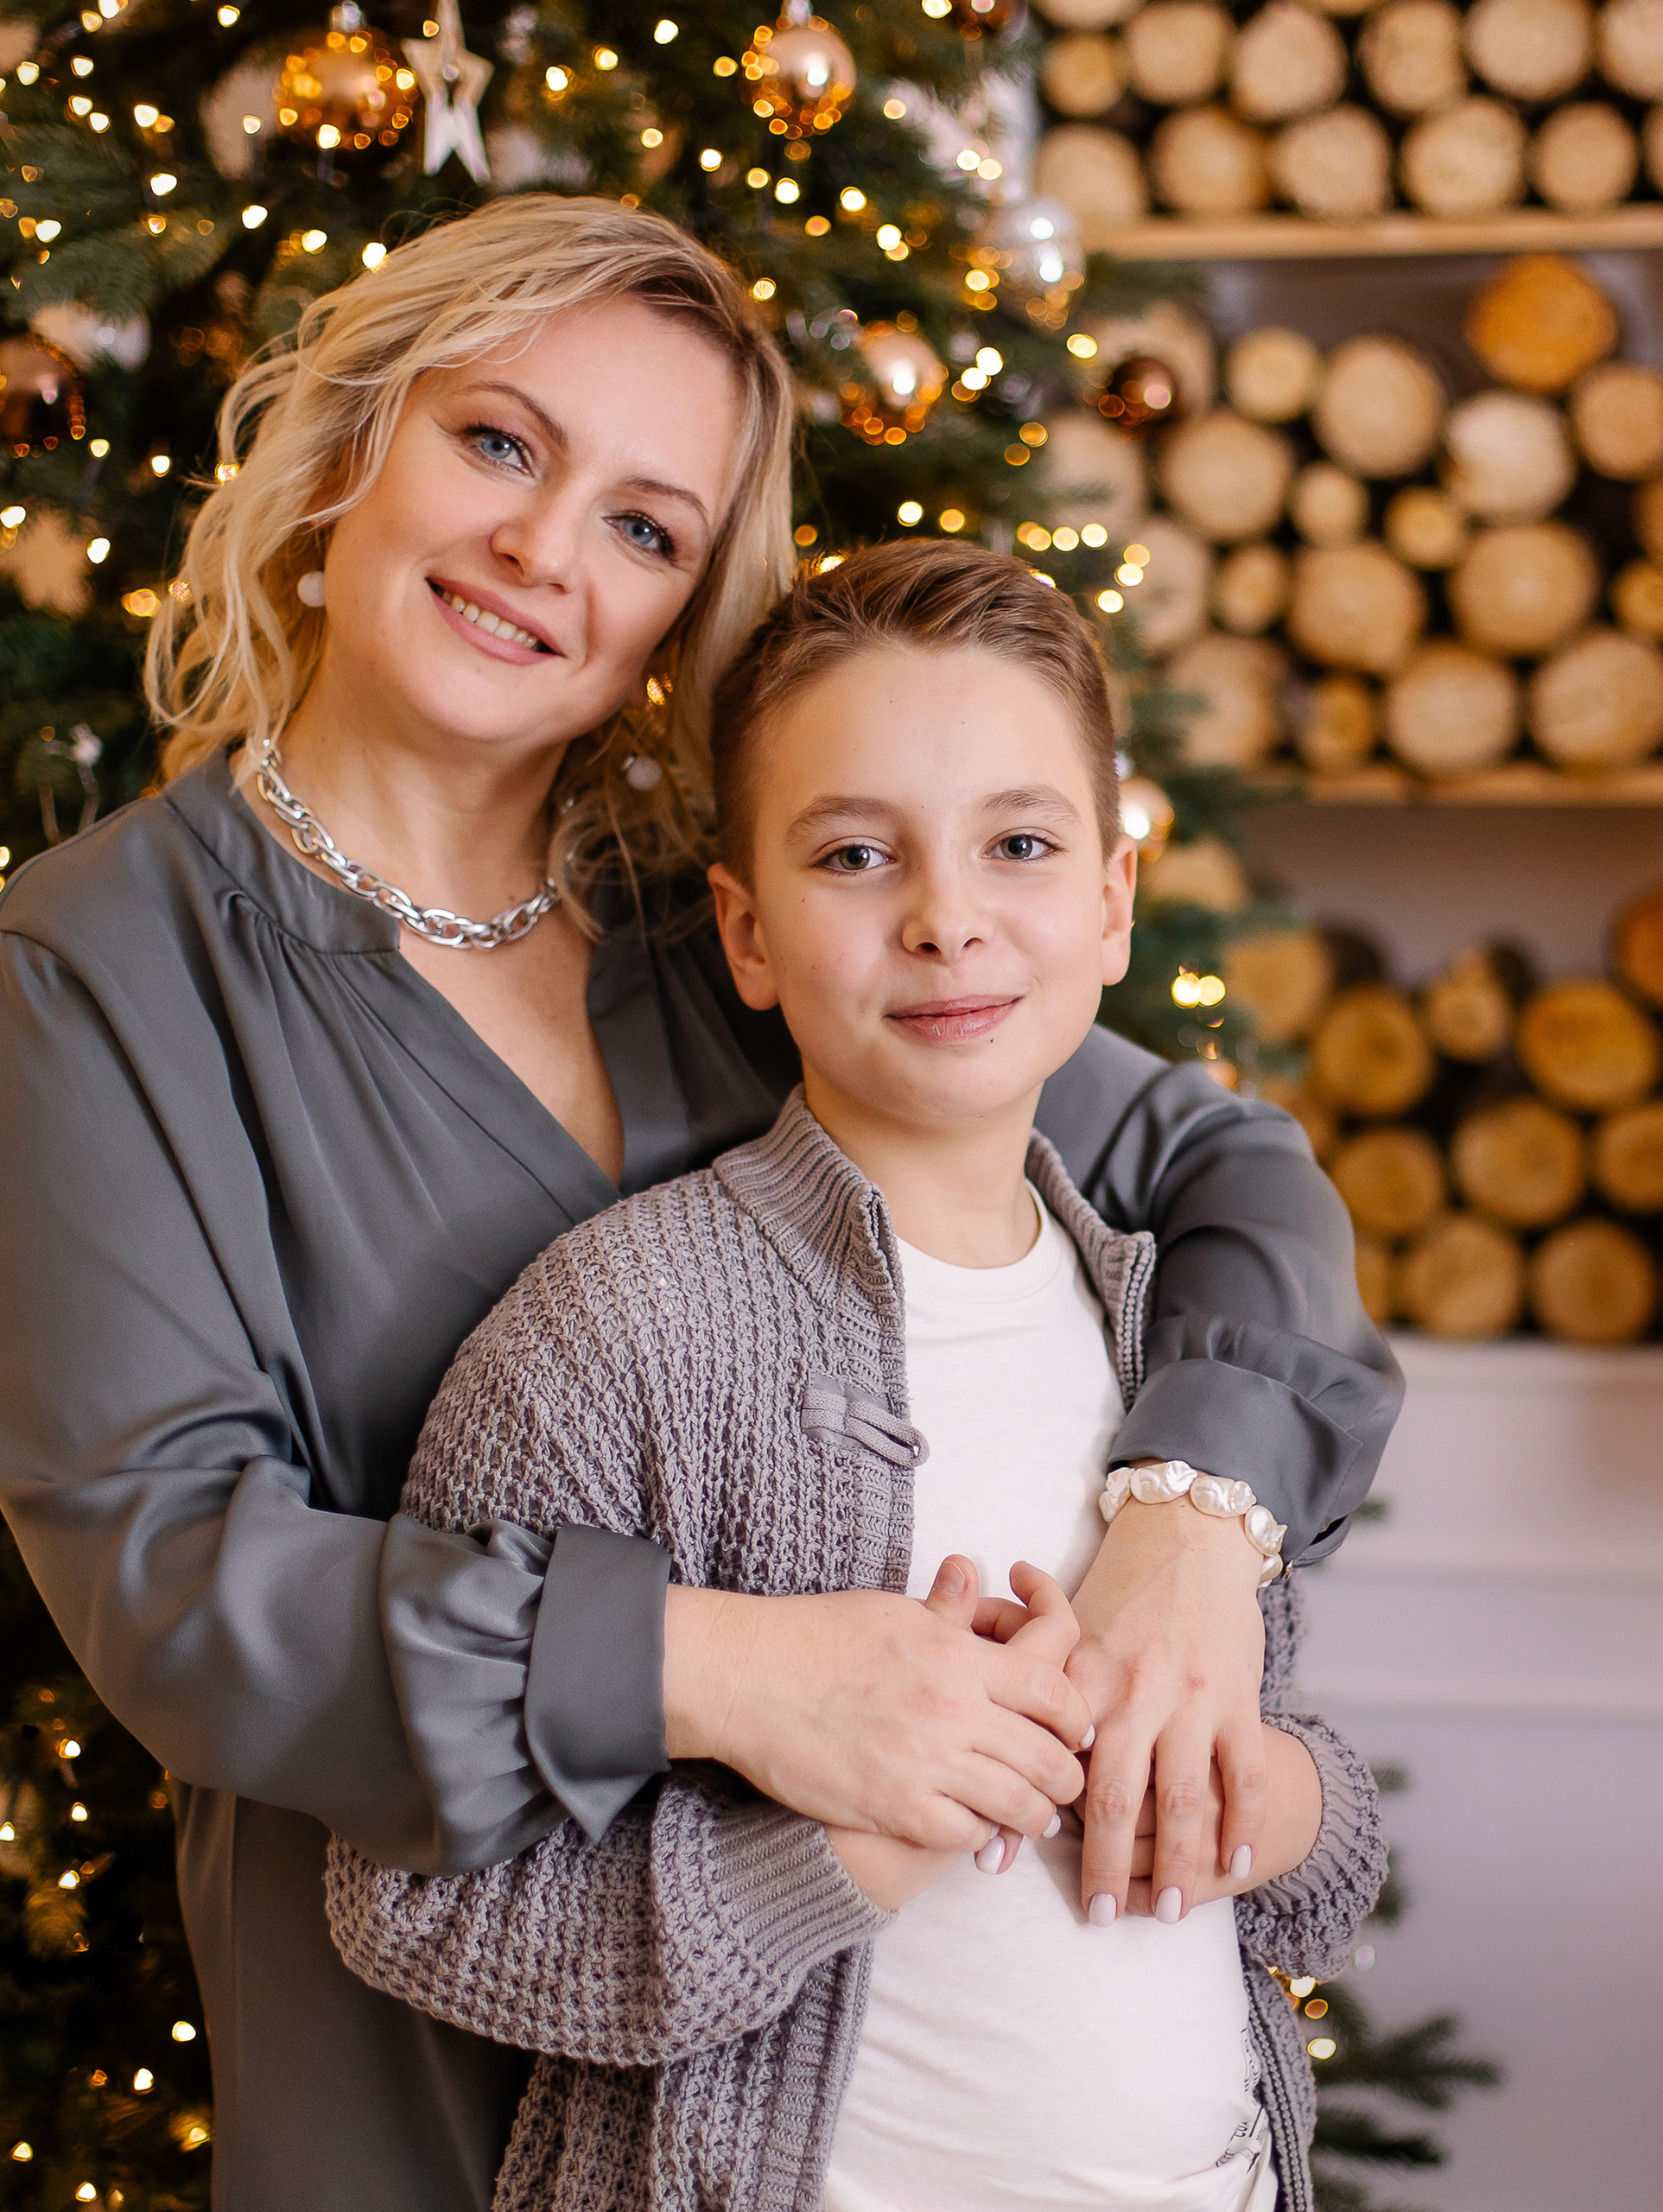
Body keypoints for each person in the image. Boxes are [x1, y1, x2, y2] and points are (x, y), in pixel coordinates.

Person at [0, 195, 1399, 2211]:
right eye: (499, 443)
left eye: (644, 527)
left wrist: (1198, 1517)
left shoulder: (743, 915)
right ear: (345, 450)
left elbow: (1216, 1162)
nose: (543, 552)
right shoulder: (99, 967)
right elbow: (171, 1578)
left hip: (897, 2080)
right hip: (424, 2050)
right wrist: (723, 1668)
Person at [326, 537, 1389, 2211]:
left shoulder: (1161, 1347)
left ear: (1111, 898)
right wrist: (841, 1843)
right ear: (744, 931)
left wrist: (1273, 1798)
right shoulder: (623, 1328)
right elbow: (419, 1897)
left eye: (1019, 844)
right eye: (853, 853)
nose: (946, 915)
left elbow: (1309, 1830)